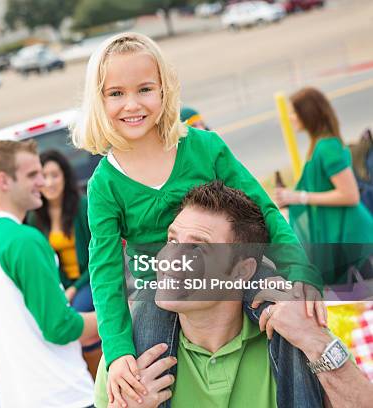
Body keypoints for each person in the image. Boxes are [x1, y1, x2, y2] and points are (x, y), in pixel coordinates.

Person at [70, 31, 325, 407]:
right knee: (141, 373)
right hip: (160, 289)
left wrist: (299, 271)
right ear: (98, 99)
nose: (132, 104)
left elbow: (265, 210)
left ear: (164, 90)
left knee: (294, 323)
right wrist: (118, 349)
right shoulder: (105, 184)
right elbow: (105, 270)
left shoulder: (205, 147)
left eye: (145, 89)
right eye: (116, 93)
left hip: (232, 268)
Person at [94, 181, 373, 408]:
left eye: (198, 248)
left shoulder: (296, 334)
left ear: (241, 271)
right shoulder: (126, 359)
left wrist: (315, 343)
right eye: (172, 240)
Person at [0, 140, 100, 407]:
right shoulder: (25, 239)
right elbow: (60, 327)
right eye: (32, 175)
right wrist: (124, 313)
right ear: (4, 181)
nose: (42, 181)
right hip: (63, 395)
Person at [275, 87, 373, 284]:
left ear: (308, 114)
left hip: (353, 238)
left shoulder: (327, 147)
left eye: (294, 112)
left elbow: (350, 194)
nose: (291, 118)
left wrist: (300, 197)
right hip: (342, 238)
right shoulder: (318, 145)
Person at [27, 149, 102, 374]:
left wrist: (72, 288)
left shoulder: (83, 206)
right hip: (62, 285)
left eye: (55, 175)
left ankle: (98, 372)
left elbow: (98, 256)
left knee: (75, 314)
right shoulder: (35, 217)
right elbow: (45, 264)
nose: (49, 182)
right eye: (44, 176)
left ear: (65, 177)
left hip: (91, 278)